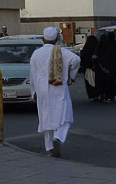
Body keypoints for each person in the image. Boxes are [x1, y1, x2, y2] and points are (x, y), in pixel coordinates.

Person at [29, 27, 81, 158]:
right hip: (58, 87)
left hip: (42, 89)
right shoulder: (62, 51)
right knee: (65, 115)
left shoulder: (36, 53)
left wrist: (33, 92)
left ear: (43, 39)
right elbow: (76, 60)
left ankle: (50, 149)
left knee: (46, 118)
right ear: (57, 39)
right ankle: (58, 137)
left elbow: (32, 75)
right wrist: (71, 77)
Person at [79, 35, 100, 101]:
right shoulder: (97, 48)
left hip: (87, 68)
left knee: (89, 82)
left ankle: (93, 95)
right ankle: (98, 94)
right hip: (96, 68)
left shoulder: (86, 49)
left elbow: (83, 58)